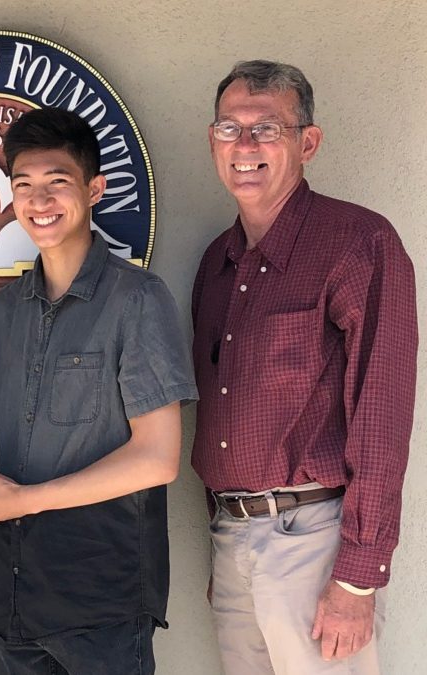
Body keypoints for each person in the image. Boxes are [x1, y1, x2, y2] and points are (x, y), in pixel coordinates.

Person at [0, 107, 198, 674]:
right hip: (11, 598)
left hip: (102, 604)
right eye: (24, 186)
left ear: (94, 189)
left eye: (57, 183)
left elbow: (158, 459)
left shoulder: (137, 300)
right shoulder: (1, 315)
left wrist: (25, 501)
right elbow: (10, 453)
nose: (39, 202)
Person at [192, 60, 417, 674]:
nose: (244, 146)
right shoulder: (217, 263)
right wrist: (228, 557)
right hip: (231, 538)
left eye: (267, 129)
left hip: (315, 543)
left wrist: (358, 577)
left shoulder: (358, 243)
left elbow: (382, 415)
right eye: (228, 128)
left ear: (307, 142)